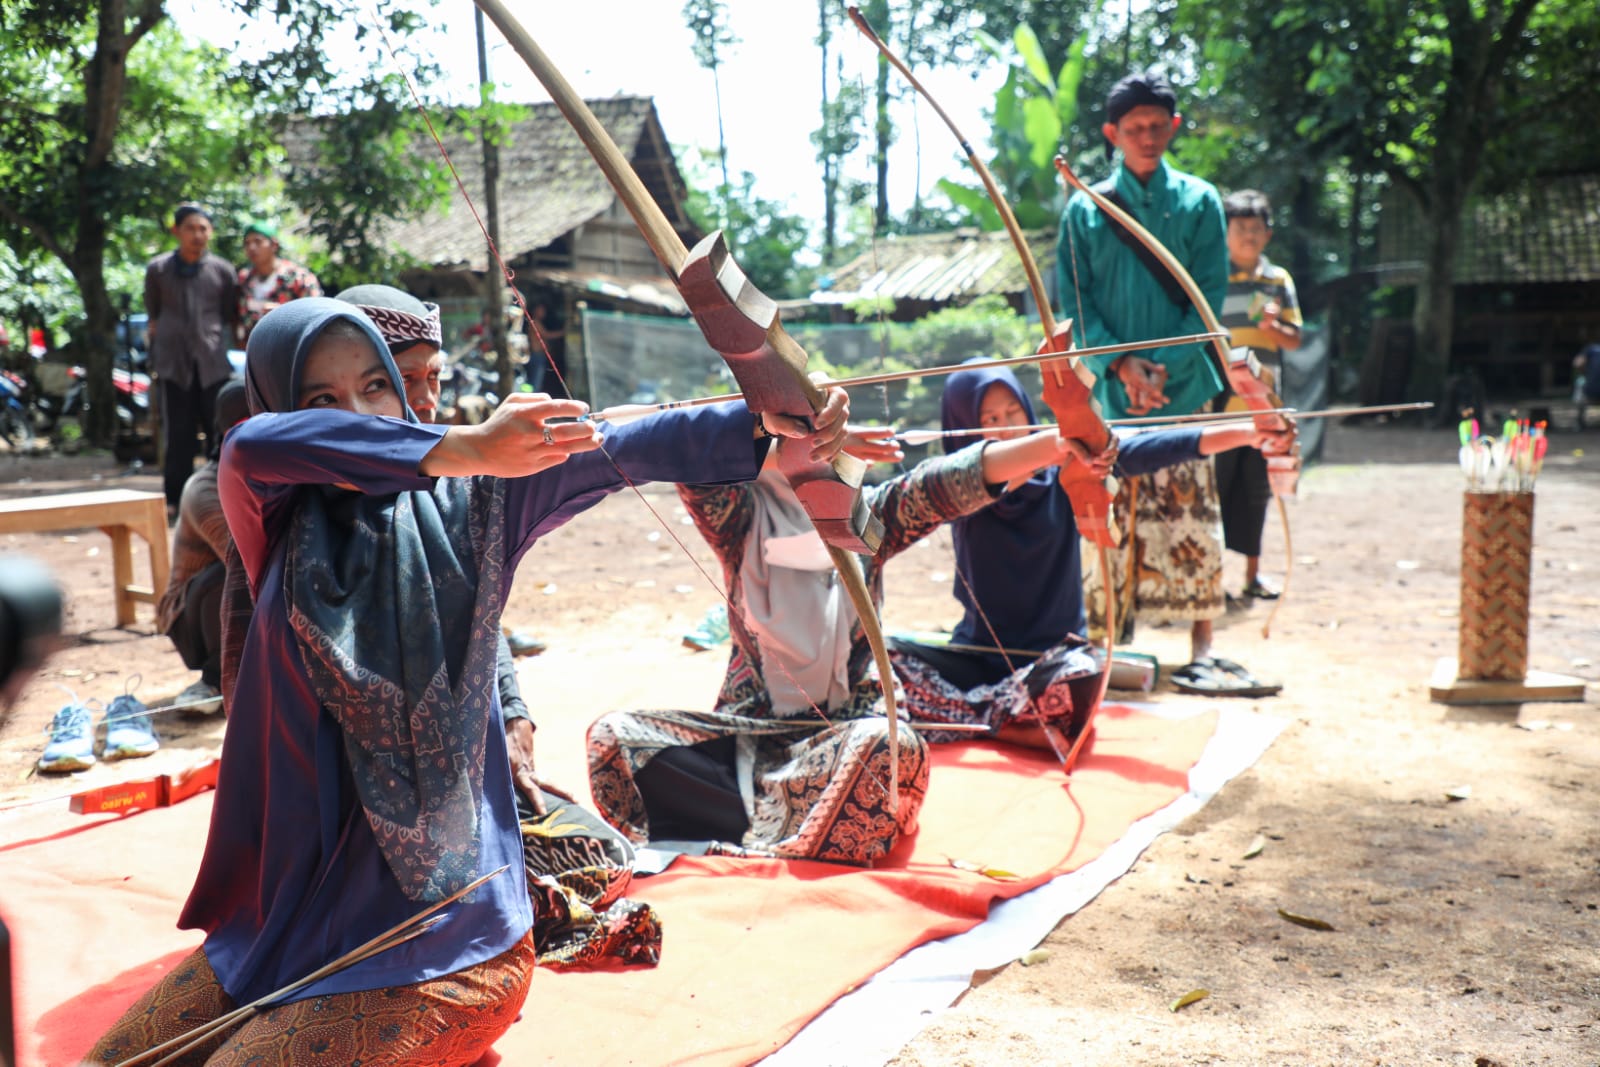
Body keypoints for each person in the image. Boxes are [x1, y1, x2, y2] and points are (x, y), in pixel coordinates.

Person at [86, 298, 848, 1065]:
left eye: (375, 388)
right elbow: (252, 445)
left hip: (447, 947)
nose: (364, 412)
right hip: (286, 935)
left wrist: (767, 423)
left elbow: (625, 441)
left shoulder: (480, 496)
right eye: (321, 399)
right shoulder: (271, 510)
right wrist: (462, 443)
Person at [582, 378, 1278, 866]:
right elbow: (658, 433)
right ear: (764, 439)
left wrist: (1060, 443)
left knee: (891, 752)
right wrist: (760, 407)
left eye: (823, 429)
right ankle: (779, 824)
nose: (818, 444)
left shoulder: (871, 514)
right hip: (753, 742)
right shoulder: (735, 515)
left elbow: (959, 476)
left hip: (840, 746)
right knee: (613, 741)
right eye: (798, 429)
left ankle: (763, 825)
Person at [892, 362, 1289, 732]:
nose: (1009, 427)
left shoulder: (1069, 468)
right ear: (961, 425)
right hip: (979, 656)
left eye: (1013, 412)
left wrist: (1250, 433)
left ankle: (991, 715)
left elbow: (1155, 445)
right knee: (887, 658)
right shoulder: (957, 488)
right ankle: (1002, 716)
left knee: (1074, 685)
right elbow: (982, 475)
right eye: (990, 420)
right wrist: (1060, 445)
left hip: (1057, 664)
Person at [1056, 71, 1266, 694]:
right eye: (1134, 128)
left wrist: (1162, 369)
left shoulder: (1202, 202)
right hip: (1113, 391)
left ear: (1173, 127)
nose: (1146, 137)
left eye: (1157, 125)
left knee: (1192, 511)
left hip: (1182, 386)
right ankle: (1109, 646)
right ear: (1112, 134)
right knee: (1109, 512)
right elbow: (1075, 301)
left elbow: (1206, 294)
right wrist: (1121, 365)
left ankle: (1202, 645)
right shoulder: (1084, 209)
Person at [1216, 189, 1302, 602]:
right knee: (1215, 491)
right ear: (1226, 232)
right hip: (1218, 410)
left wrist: (1273, 329)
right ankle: (1212, 579)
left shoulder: (1278, 281)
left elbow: (1294, 339)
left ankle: (1252, 576)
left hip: (1263, 409)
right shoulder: (1211, 278)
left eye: (1255, 229)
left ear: (1268, 234)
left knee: (1256, 491)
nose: (1248, 236)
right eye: (1240, 228)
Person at [155, 379, 249, 717]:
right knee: (238, 570)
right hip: (189, 616)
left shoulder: (268, 479)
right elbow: (249, 558)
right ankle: (213, 679)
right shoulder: (204, 489)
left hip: (230, 600)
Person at [144, 202, 238, 515]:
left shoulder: (223, 271)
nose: (197, 235)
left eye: (203, 228)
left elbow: (228, 314)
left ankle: (224, 497)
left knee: (220, 432)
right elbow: (153, 313)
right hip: (173, 362)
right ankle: (175, 501)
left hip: (212, 360)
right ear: (176, 231)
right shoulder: (158, 270)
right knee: (178, 433)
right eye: (190, 228)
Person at [234, 218, 322, 346]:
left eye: (258, 241)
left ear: (274, 245)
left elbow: (317, 313)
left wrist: (284, 314)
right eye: (247, 243)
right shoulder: (244, 279)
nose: (251, 247)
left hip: (289, 351)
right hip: (255, 352)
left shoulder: (298, 277)